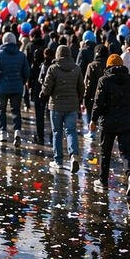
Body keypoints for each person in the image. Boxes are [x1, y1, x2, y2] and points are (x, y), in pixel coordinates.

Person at [89, 54, 130, 196]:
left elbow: (98, 102)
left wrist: (93, 119)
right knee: (126, 152)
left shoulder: (104, 80)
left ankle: (103, 181)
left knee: (105, 152)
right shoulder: (129, 79)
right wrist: (129, 111)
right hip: (125, 121)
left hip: (108, 121)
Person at [43, 44, 84, 173]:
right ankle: (73, 156)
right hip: (72, 105)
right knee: (71, 131)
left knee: (57, 133)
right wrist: (78, 99)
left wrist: (44, 92)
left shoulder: (53, 69)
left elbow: (47, 88)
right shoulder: (76, 69)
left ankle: (58, 161)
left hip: (56, 105)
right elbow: (81, 88)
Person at [0, 32, 30, 144]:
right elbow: (26, 72)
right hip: (17, 87)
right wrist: (22, 82)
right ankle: (17, 132)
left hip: (2, 86)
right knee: (16, 110)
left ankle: (3, 132)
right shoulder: (21, 55)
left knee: (1, 109)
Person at [83, 45, 109, 127]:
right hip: (106, 98)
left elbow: (87, 83)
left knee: (91, 118)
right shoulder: (108, 65)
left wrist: (85, 97)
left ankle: (92, 132)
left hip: (92, 98)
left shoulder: (92, 66)